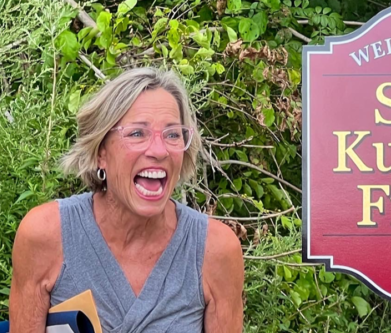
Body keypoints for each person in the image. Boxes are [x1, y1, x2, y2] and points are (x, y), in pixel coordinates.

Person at [8, 67, 244, 332]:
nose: (159, 150)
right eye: (136, 133)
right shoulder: (46, 235)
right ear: (100, 152)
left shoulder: (215, 250)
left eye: (172, 134)